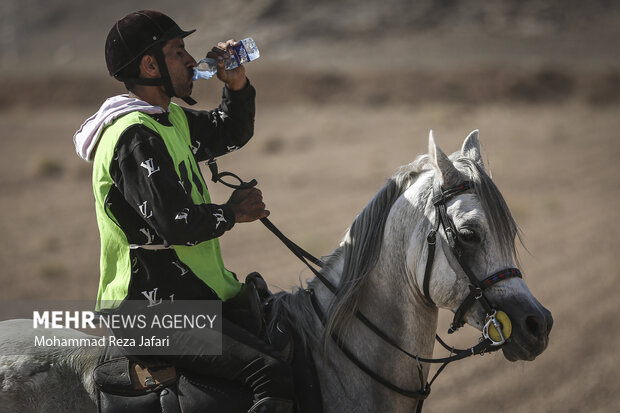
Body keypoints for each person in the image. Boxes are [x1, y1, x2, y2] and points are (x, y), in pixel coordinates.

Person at [73, 10, 295, 413]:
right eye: (179, 51)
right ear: (149, 64)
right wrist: (231, 212)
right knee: (271, 371)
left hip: (192, 297)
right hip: (151, 312)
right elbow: (175, 225)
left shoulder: (168, 119)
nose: (192, 60)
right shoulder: (134, 135)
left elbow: (229, 131)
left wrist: (237, 85)